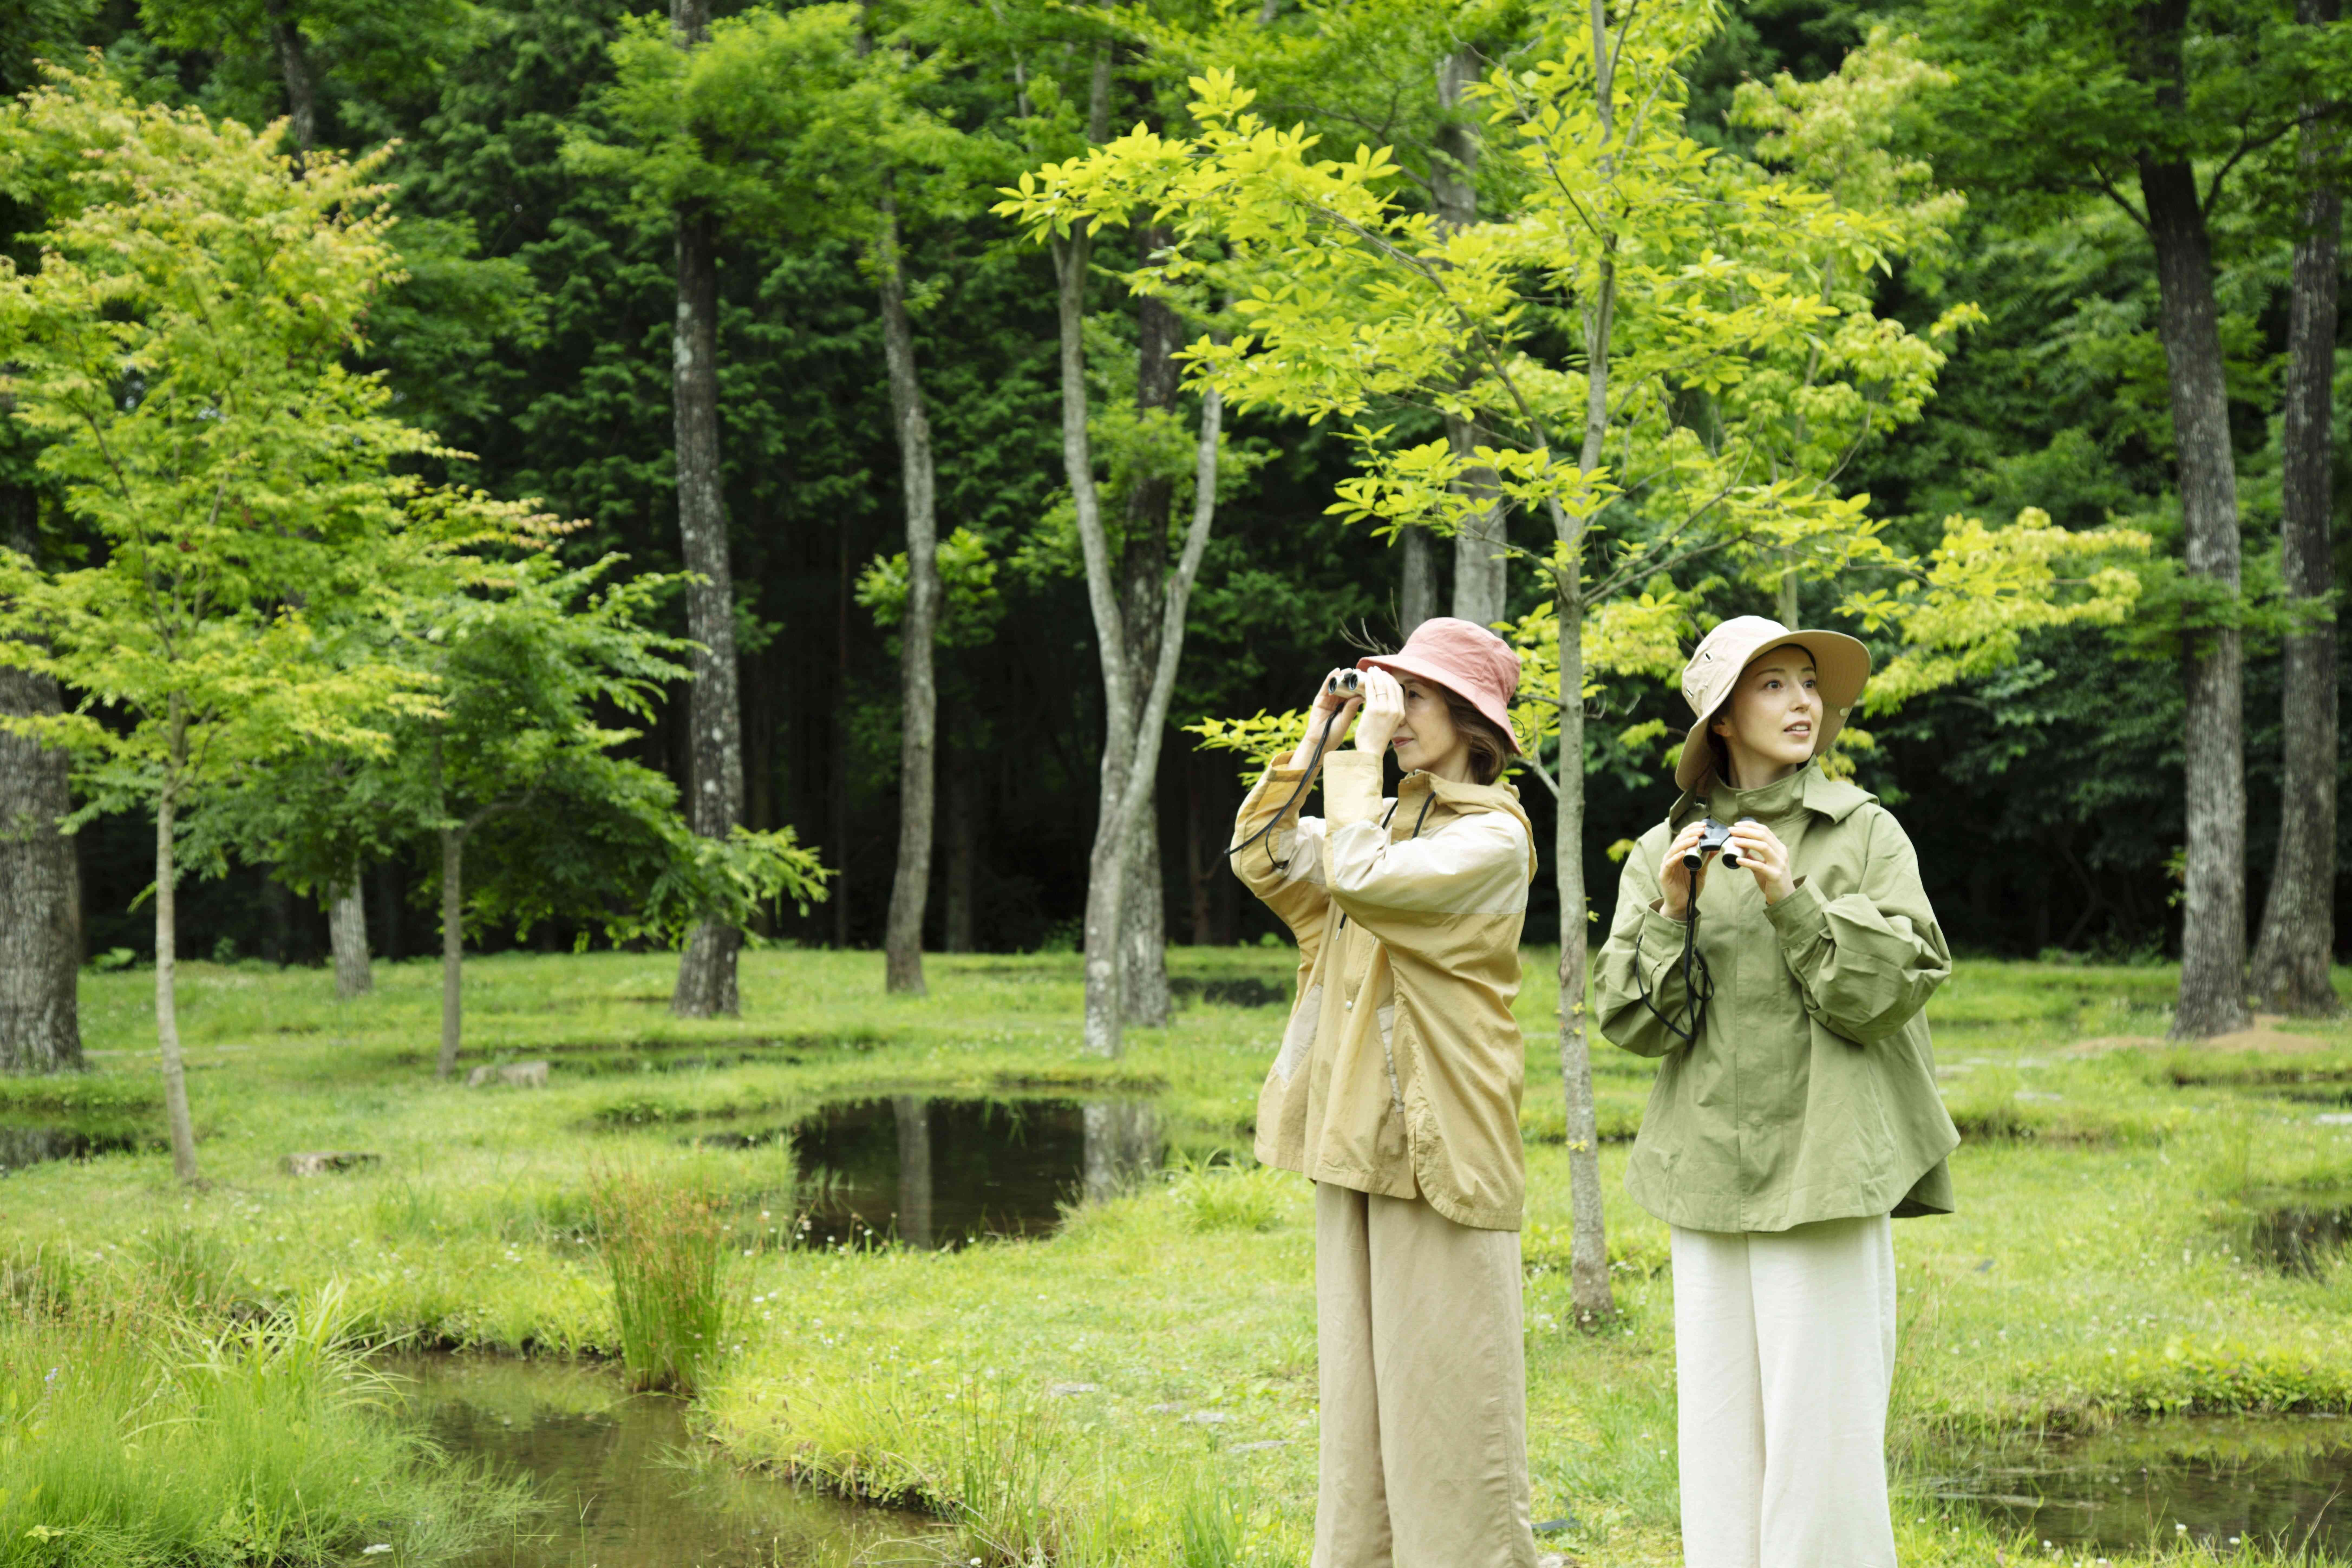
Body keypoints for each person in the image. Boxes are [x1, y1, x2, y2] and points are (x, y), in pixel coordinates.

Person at [1592, 615, 1961, 1568]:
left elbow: (1893, 990)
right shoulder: (1659, 851)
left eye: (1810, 685)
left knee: (1822, 1439)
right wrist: (1673, 914)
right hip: (1707, 1166)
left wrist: (1794, 899)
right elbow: (1632, 1023)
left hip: (1831, 1163)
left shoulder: (1865, 831)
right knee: (1720, 1440)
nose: (1806, 703)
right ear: (1721, 719)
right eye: (1775, 686)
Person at [1228, 616, 1541, 1568]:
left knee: (1450, 1406)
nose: (1397, 714)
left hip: (1443, 1139)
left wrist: (1359, 762)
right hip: (1360, 1134)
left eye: (1417, 698)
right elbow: (1266, 859)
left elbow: (1362, 879)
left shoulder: (1490, 838)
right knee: (1361, 1406)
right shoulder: (1389, 816)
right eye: (1388, 696)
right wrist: (1316, 744)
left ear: (1471, 717)